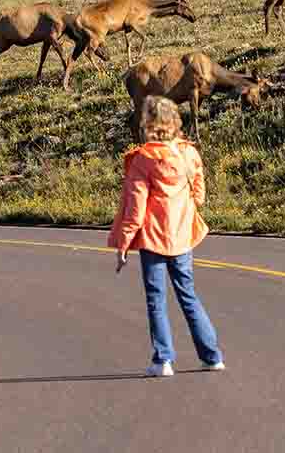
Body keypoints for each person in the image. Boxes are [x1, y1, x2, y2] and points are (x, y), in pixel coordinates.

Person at [108, 95, 224, 377]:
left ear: (148, 123)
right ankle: (211, 356)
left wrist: (123, 244)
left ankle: (163, 360)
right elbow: (199, 195)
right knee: (188, 295)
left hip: (152, 238)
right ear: (174, 121)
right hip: (181, 236)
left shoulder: (143, 159)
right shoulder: (189, 153)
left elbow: (135, 210)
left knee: (156, 300)